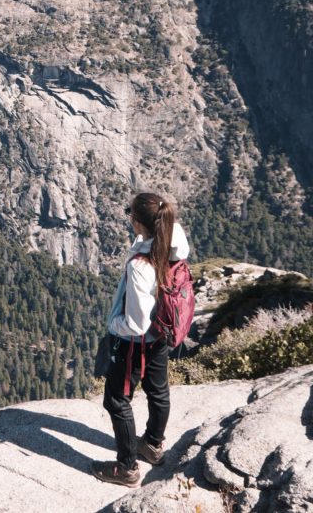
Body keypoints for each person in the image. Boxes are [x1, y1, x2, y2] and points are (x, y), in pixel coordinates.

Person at [91, 192, 190, 488]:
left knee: (117, 400)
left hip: (135, 344)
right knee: (158, 390)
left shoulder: (139, 266)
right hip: (161, 335)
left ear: (137, 222)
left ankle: (127, 467)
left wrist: (112, 324)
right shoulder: (175, 244)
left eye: (130, 215)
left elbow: (135, 322)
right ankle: (153, 445)